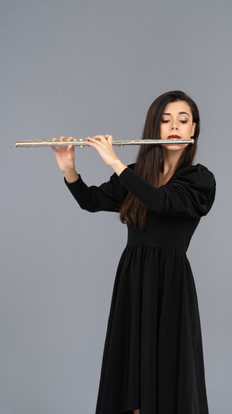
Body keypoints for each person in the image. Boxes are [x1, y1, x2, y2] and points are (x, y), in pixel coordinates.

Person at [52, 90, 216, 414]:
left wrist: (114, 162)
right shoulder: (137, 173)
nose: (174, 126)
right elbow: (91, 201)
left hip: (170, 285)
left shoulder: (199, 180)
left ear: (193, 129)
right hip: (133, 280)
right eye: (166, 119)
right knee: (131, 383)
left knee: (168, 373)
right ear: (154, 127)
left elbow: (161, 201)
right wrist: (69, 169)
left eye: (183, 120)